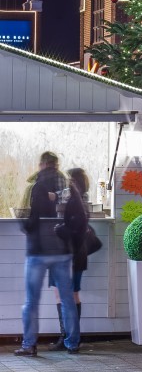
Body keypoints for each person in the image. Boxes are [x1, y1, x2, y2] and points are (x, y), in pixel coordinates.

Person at [15, 151, 83, 356]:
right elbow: (80, 217)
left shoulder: (37, 187)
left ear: (43, 164)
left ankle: (29, 345)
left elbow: (33, 217)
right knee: (67, 299)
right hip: (62, 252)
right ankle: (73, 343)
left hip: (38, 250)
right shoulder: (68, 187)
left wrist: (23, 223)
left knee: (31, 302)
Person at [47, 168, 90, 351]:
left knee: (66, 295)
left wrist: (59, 229)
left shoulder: (76, 200)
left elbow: (76, 230)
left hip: (68, 254)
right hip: (76, 254)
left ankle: (70, 338)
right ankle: (68, 337)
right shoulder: (78, 199)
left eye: (69, 179)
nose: (66, 182)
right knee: (69, 294)